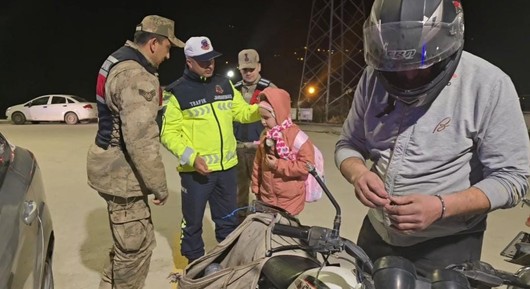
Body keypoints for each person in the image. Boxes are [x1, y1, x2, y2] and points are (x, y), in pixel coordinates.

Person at [334, 0, 530, 276]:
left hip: (447, 245)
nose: (405, 74)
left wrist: (440, 206)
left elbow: (513, 179)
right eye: (394, 63)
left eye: (419, 63)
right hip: (376, 236)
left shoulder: (488, 85)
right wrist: (357, 173)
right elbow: (348, 144)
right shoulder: (373, 79)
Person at [86, 15, 184, 289]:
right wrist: (159, 186)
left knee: (123, 248)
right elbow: (141, 139)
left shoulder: (117, 60)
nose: (167, 56)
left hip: (108, 165)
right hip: (122, 175)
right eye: (168, 48)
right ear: (154, 43)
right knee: (134, 252)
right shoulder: (136, 76)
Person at [160, 36, 261, 263]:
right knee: (193, 224)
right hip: (197, 173)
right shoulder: (177, 92)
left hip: (227, 170)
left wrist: (261, 110)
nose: (209, 65)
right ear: (189, 61)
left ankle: (225, 264)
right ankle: (195, 268)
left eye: (212, 60)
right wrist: (192, 157)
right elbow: (168, 134)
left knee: (228, 221)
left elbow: (242, 113)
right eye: (203, 60)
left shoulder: (224, 85)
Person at [251, 87, 315, 215]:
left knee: (286, 231)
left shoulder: (296, 137)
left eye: (266, 117)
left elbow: (307, 166)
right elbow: (258, 163)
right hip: (267, 197)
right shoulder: (266, 135)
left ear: (278, 113)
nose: (263, 122)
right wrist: (256, 186)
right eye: (261, 117)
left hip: (289, 200)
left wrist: (278, 165)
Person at [233, 49, 276, 222]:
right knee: (238, 190)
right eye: (245, 69)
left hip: (260, 148)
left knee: (264, 188)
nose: (248, 73)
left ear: (259, 67)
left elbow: (279, 118)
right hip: (238, 148)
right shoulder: (233, 90)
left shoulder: (270, 89)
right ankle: (239, 221)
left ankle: (263, 221)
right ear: (239, 69)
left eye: (251, 68)